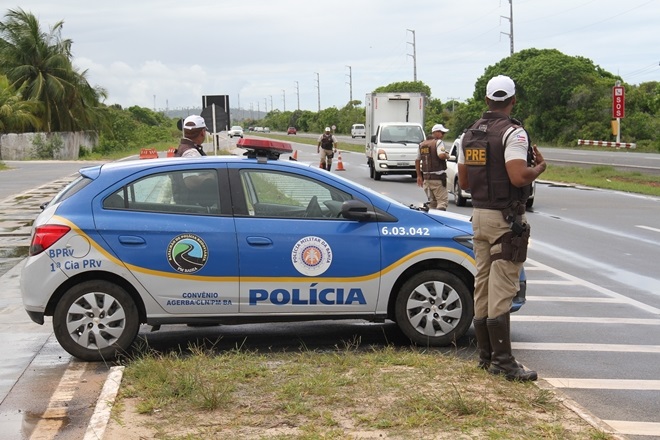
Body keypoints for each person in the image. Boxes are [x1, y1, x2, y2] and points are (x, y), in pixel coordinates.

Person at [457, 74, 546, 381]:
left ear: (486, 100)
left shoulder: (469, 134)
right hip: (504, 219)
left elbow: (465, 182)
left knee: (481, 282)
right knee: (503, 287)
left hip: (478, 216)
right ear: (513, 100)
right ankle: (504, 362)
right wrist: (539, 168)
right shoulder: (514, 134)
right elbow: (519, 176)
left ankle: (485, 356)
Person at [416, 124, 450, 210]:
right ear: (436, 133)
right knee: (442, 202)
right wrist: (447, 155)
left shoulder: (421, 145)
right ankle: (440, 220)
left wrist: (419, 176)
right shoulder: (438, 142)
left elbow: (417, 160)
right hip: (438, 178)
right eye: (442, 133)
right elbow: (441, 155)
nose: (443, 135)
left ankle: (432, 221)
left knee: (432, 204)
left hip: (426, 179)